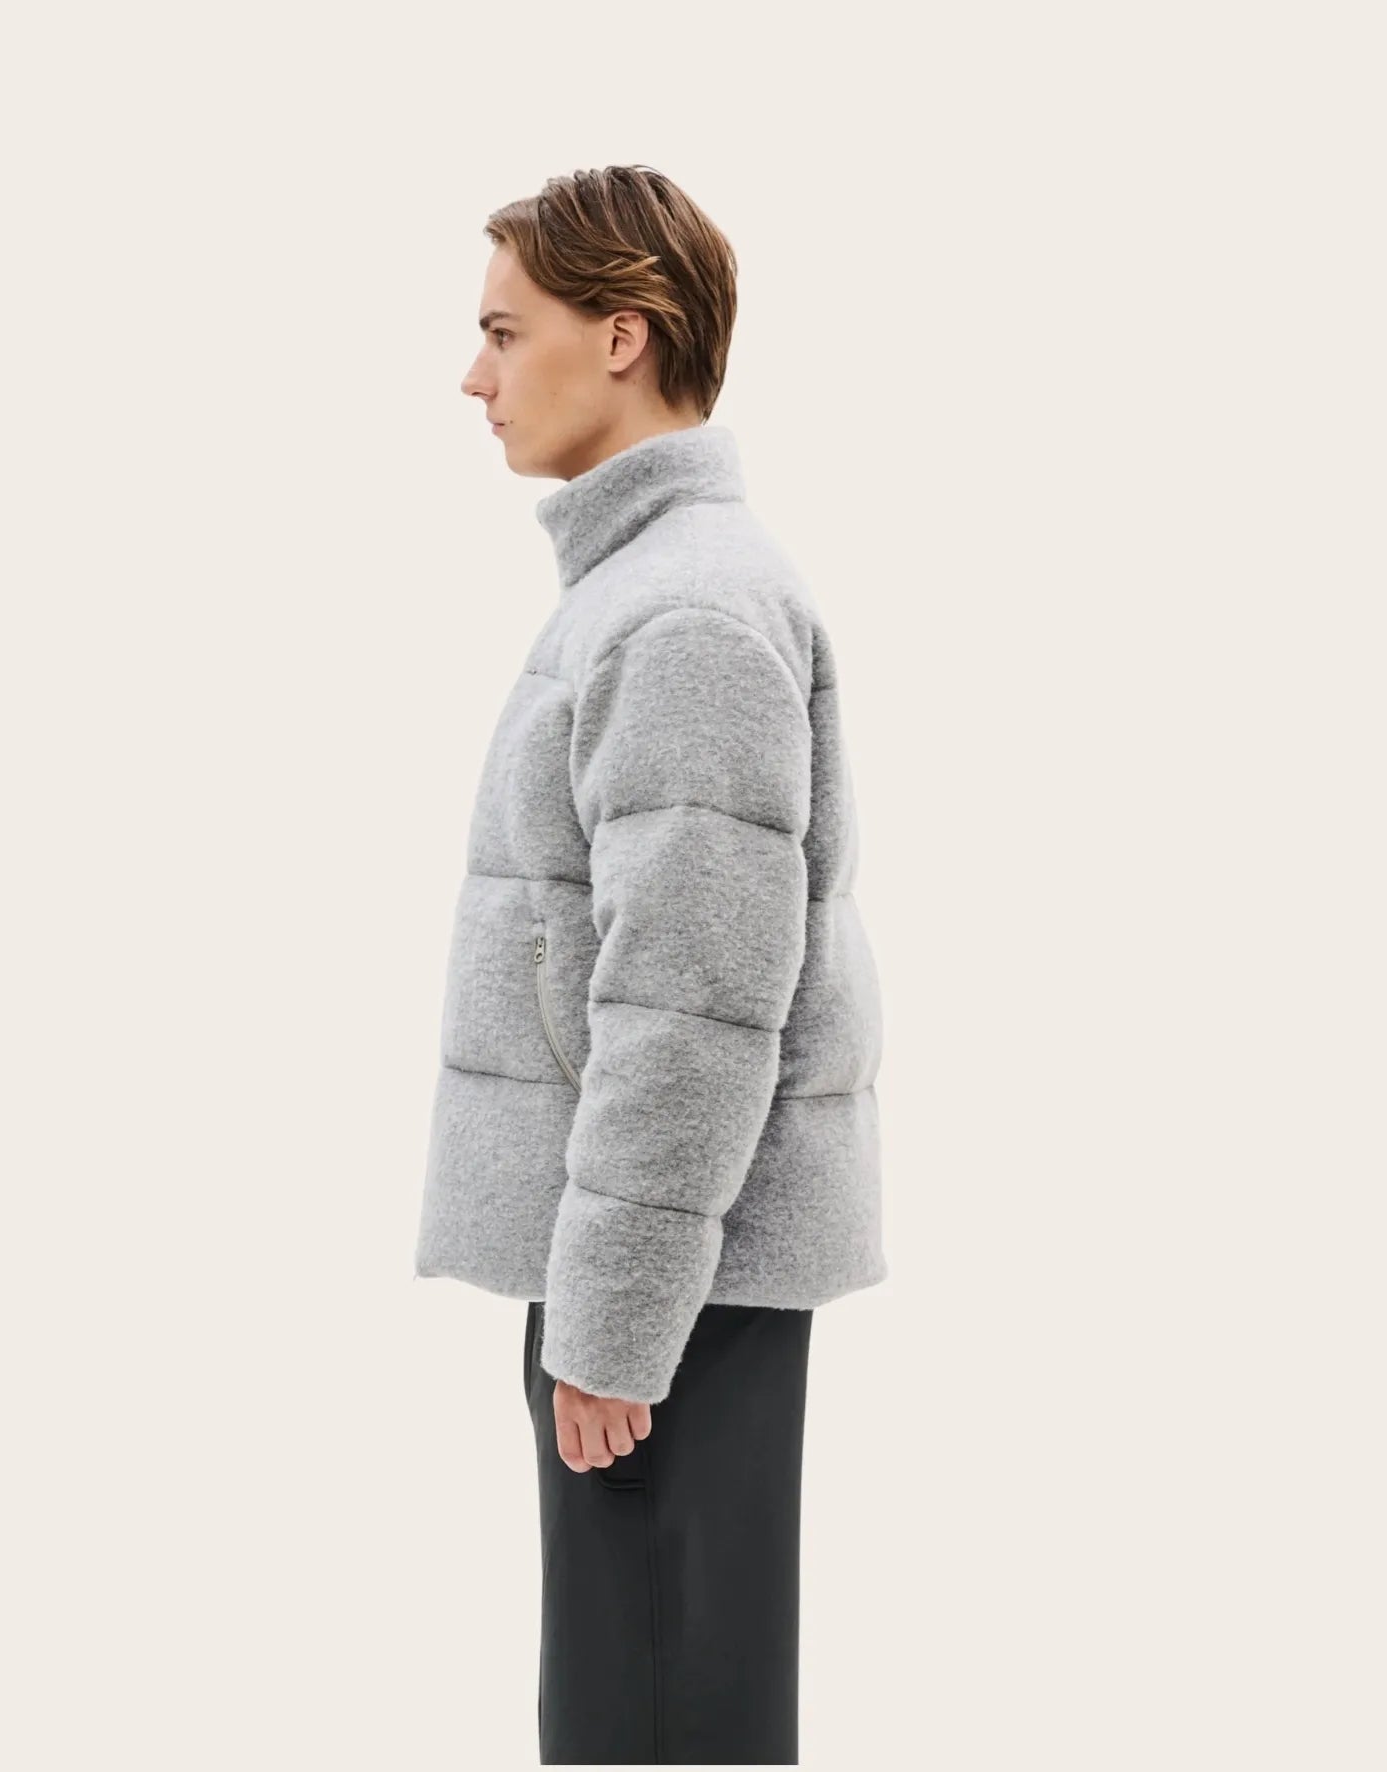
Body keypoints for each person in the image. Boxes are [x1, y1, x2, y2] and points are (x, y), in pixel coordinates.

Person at [414, 163, 886, 1765]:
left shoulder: (683, 612)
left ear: (622, 336)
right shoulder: (650, 587)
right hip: (656, 1257)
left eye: (502, 332)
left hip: (667, 1278)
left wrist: (614, 1321)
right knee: (646, 1701)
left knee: (656, 1715)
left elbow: (690, 1006)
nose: (472, 376)